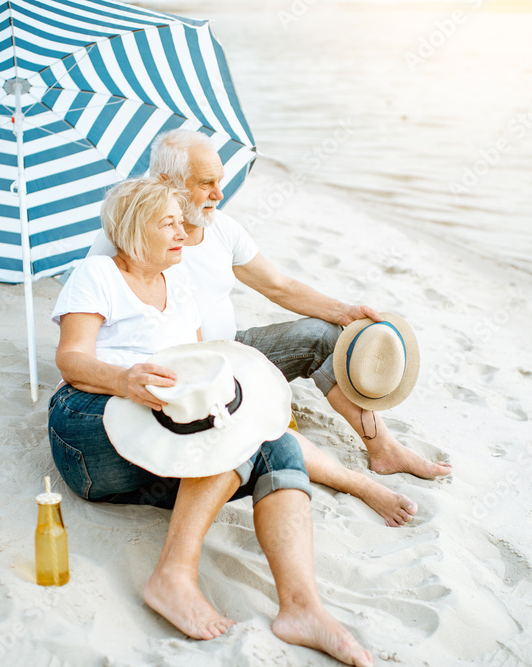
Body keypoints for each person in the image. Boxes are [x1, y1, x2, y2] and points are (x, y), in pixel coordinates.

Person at [48, 177, 374, 666]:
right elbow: (71, 361)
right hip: (90, 425)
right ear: (136, 230)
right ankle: (173, 576)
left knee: (271, 443)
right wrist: (124, 379)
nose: (183, 232)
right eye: (169, 224)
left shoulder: (178, 282)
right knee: (217, 430)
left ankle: (303, 609)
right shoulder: (98, 275)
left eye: (182, 222)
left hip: (161, 432)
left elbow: (202, 357)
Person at [87, 129, 452, 480]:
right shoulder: (124, 238)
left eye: (220, 179)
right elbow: (95, 318)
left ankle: (384, 448)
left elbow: (279, 286)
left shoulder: (222, 228)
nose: (219, 192)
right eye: (205, 183)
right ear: (168, 182)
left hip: (234, 349)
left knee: (325, 334)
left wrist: (344, 312)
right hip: (183, 375)